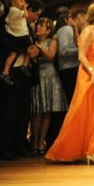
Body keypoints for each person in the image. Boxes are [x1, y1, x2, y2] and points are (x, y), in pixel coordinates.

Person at [45, 2, 94, 165]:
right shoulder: (88, 31)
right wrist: (92, 71)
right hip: (88, 74)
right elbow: (81, 55)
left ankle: (93, 150)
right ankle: (88, 151)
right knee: (83, 111)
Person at [0, 0, 44, 161]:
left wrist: (36, 51)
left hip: (23, 71)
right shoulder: (4, 20)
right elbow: (5, 41)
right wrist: (25, 48)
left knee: (23, 110)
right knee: (9, 110)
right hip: (10, 71)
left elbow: (30, 42)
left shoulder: (25, 22)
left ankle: (19, 145)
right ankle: (5, 147)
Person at [30, 17, 67, 155]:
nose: (38, 27)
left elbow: (51, 56)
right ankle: (34, 141)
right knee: (37, 111)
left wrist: (39, 48)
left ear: (49, 29)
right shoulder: (32, 41)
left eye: (42, 26)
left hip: (50, 75)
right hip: (37, 76)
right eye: (38, 25)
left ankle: (41, 142)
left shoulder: (52, 41)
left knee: (47, 111)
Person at [0, 0, 32, 86]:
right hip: (21, 35)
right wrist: (25, 8)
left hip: (14, 36)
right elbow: (26, 15)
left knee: (13, 54)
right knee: (28, 49)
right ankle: (24, 65)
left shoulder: (12, 10)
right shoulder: (14, 10)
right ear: (13, 3)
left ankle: (5, 72)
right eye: (21, 1)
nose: (23, 3)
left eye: (24, 1)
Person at [57, 8, 86, 102]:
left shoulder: (75, 30)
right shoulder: (65, 30)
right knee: (73, 99)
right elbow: (63, 51)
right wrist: (80, 51)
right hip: (68, 68)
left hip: (74, 68)